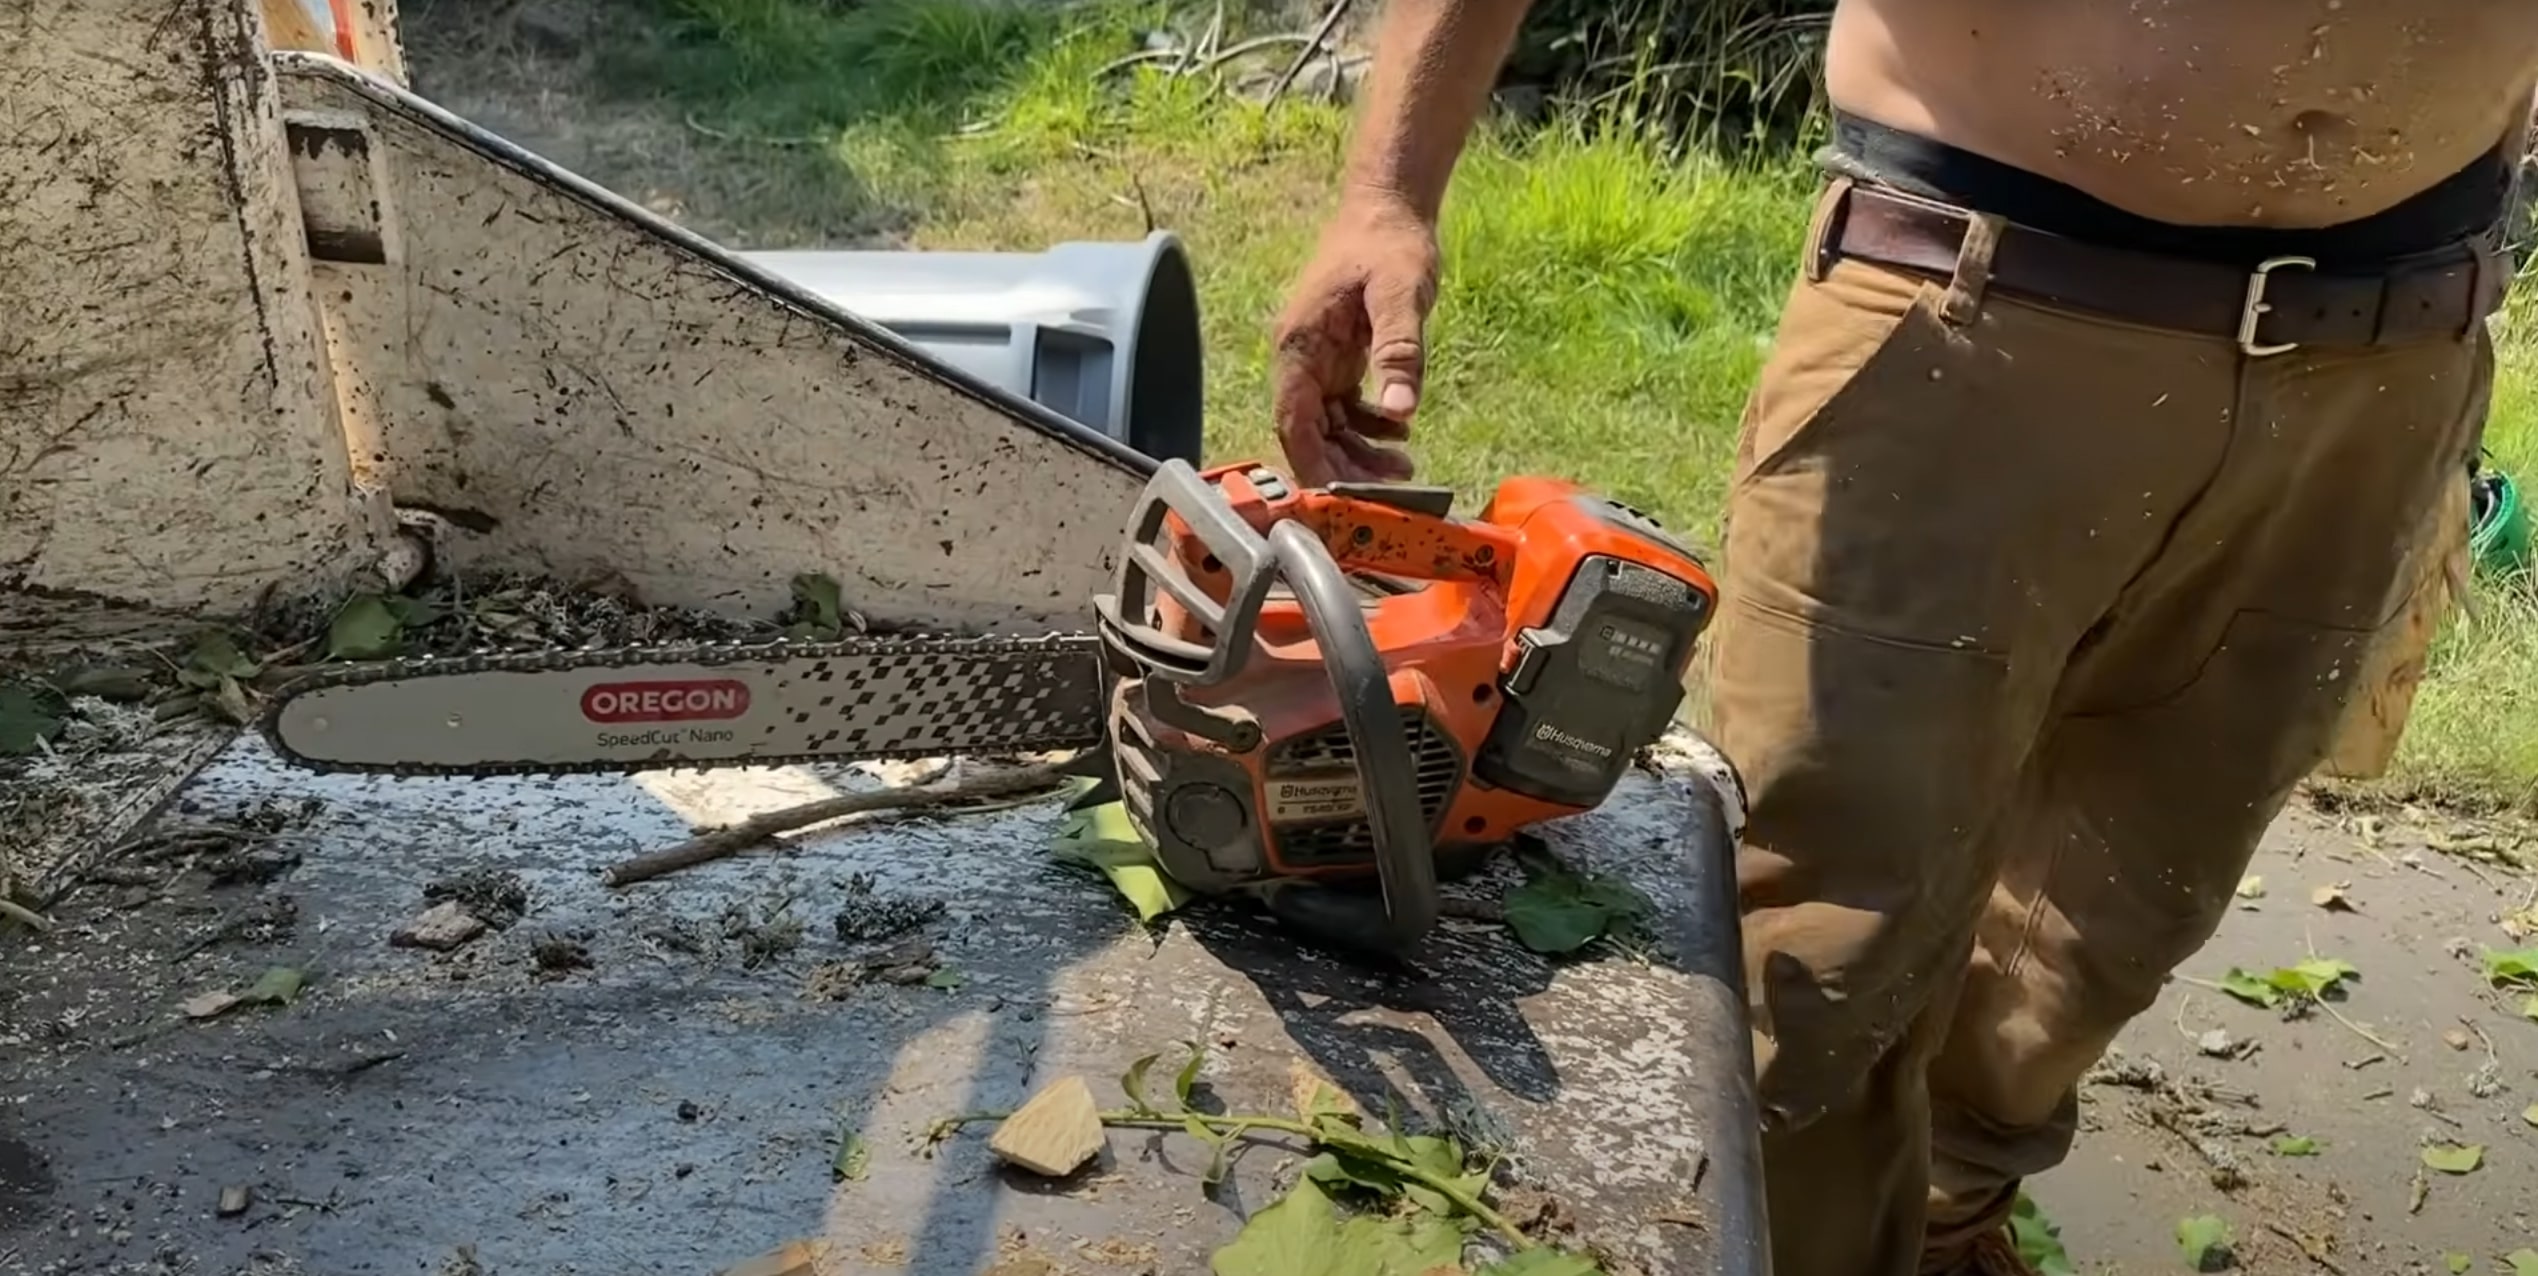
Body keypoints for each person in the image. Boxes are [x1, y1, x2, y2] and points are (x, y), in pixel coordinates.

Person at [1267, 3, 2538, 1274]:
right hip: (1974, 310)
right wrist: (1387, 196)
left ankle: (1942, 1223)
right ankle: (1790, 1248)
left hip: (2385, 363)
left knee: (2112, 921)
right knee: (1810, 945)